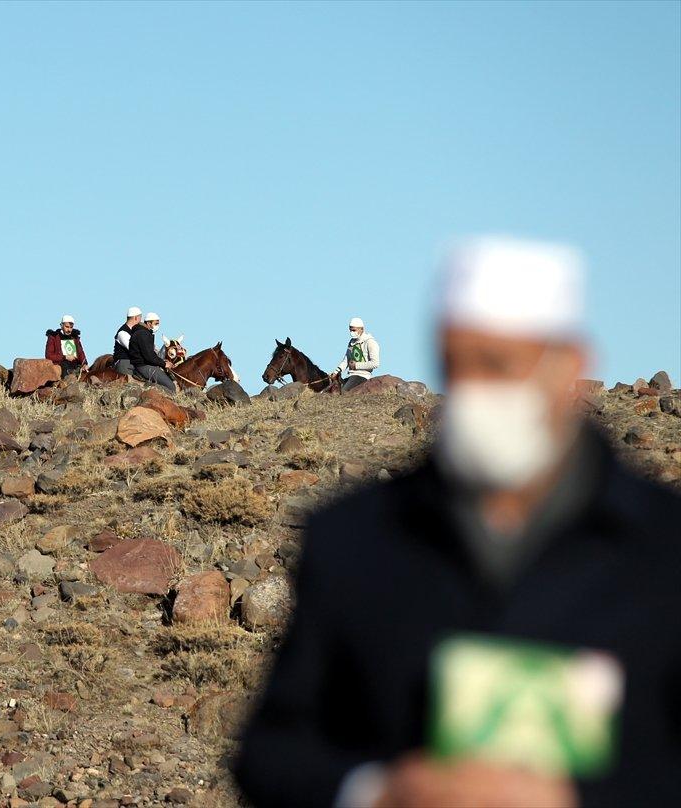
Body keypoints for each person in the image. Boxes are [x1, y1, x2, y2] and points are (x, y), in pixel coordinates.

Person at [235, 239, 681, 808]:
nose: (472, 390)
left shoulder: (665, 550)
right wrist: (377, 792)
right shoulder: (352, 538)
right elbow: (271, 752)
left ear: (571, 366)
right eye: (453, 365)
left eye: (496, 365)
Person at [129, 311, 176, 393]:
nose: (157, 326)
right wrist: (164, 364)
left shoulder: (143, 333)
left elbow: (150, 354)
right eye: (156, 323)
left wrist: (161, 361)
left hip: (142, 365)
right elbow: (149, 356)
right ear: (148, 323)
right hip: (144, 366)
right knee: (171, 387)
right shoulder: (143, 334)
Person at [334, 317, 381, 391]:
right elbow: (346, 360)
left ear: (361, 329)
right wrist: (336, 372)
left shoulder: (370, 342)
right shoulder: (351, 342)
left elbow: (375, 363)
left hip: (362, 376)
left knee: (343, 393)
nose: (352, 332)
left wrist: (356, 365)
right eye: (350, 330)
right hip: (350, 376)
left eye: (354, 330)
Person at [112, 306, 141, 377]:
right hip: (125, 364)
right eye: (140, 318)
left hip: (134, 364)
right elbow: (133, 348)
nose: (141, 321)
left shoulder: (134, 331)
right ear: (136, 318)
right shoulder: (122, 333)